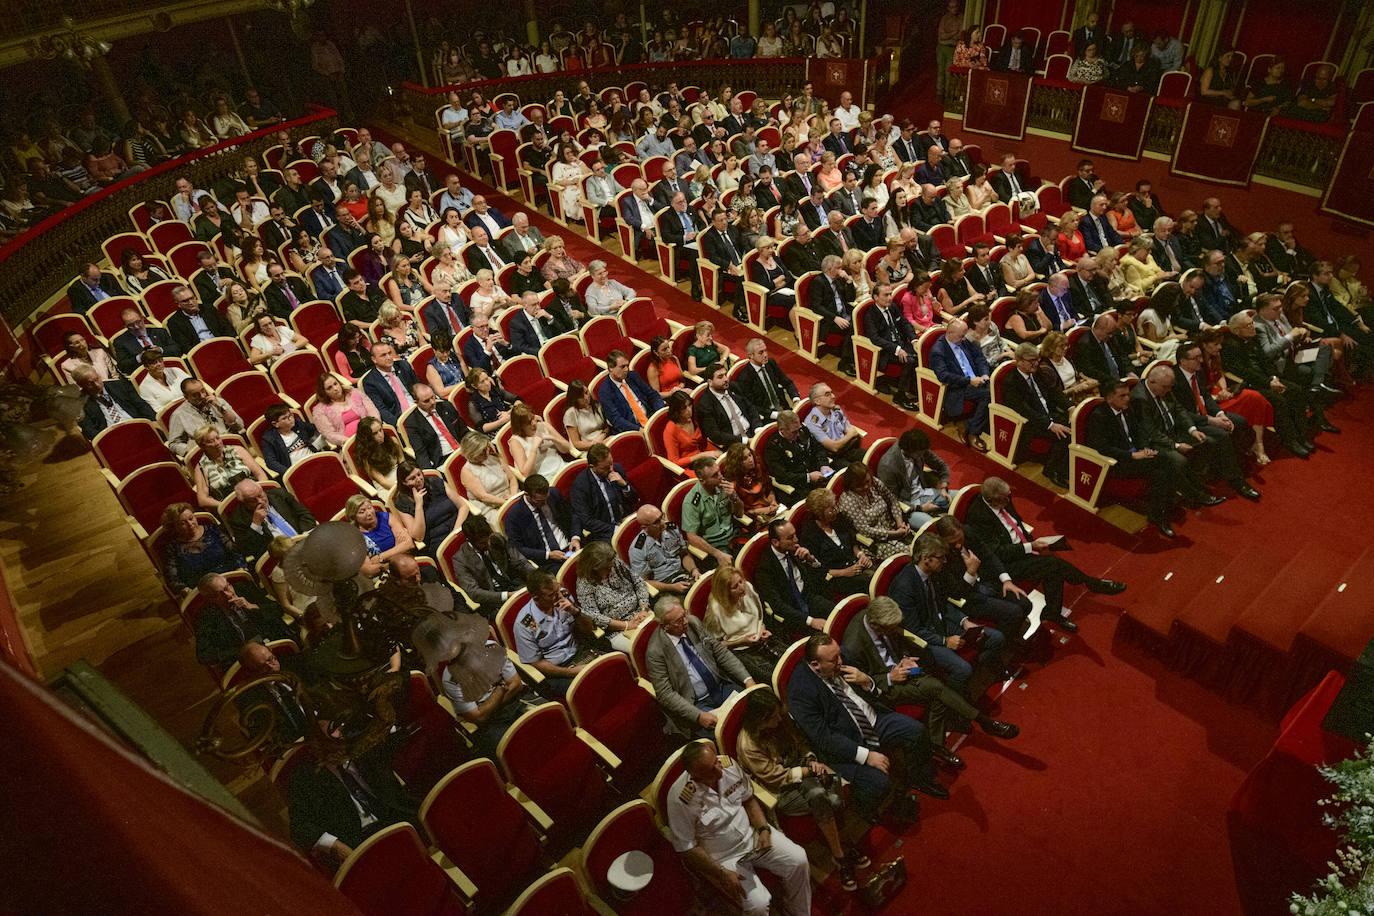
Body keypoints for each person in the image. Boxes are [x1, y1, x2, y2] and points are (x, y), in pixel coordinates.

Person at [843, 595, 1019, 768]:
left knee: (937, 688)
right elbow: (860, 685)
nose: (896, 630)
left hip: (906, 668)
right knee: (935, 687)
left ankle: (938, 745)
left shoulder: (883, 618)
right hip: (885, 687)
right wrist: (890, 677)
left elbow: (899, 642)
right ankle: (983, 721)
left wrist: (904, 658)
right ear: (876, 626)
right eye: (891, 629)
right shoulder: (852, 647)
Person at [788, 633, 945, 827]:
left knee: (916, 731)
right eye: (833, 660)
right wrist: (867, 756)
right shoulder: (800, 691)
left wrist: (866, 681)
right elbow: (824, 738)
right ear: (815, 665)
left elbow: (877, 682)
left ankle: (918, 779)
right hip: (846, 742)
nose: (841, 660)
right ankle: (864, 810)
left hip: (874, 719)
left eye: (839, 655)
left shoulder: (841, 655)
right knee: (879, 784)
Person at [736, 689, 866, 891]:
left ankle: (841, 847)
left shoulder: (781, 719)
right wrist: (806, 772)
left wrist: (812, 761)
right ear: (760, 720)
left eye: (779, 713)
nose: (780, 719)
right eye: (773, 717)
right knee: (821, 795)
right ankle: (841, 854)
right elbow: (775, 777)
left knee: (831, 796)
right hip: (781, 791)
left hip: (803, 772)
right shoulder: (748, 745)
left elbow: (801, 743)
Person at [666, 740, 811, 916]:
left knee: (799, 859)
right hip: (725, 858)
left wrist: (763, 828)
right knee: (758, 904)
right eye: (712, 770)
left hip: (752, 836)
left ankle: (798, 912)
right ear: (696, 777)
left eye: (716, 762)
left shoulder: (727, 765)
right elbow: (687, 848)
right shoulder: (681, 800)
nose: (720, 769)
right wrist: (721, 873)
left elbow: (748, 798)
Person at [967, 477, 1127, 631]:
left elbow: (1017, 523)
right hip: (1004, 566)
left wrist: (1032, 543)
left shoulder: (1003, 498)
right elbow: (997, 553)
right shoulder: (979, 517)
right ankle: (1090, 583)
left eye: (1009, 496)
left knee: (1053, 569)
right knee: (1052, 564)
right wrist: (1030, 546)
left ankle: (1053, 612)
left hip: (1022, 549)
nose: (1008, 501)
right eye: (1004, 499)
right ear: (991, 500)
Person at [648, 594, 755, 737]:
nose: (685, 621)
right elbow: (665, 694)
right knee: (728, 735)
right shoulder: (655, 651)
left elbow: (720, 652)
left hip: (720, 687)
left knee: (756, 708)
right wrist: (698, 716)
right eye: (678, 621)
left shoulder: (693, 623)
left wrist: (747, 679)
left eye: (684, 615)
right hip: (696, 704)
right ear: (664, 626)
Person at [192, 572, 291, 668]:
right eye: (219, 594)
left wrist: (252, 606)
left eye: (227, 588)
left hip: (273, 641)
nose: (228, 595)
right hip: (247, 662)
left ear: (230, 584)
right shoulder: (204, 617)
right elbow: (204, 656)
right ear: (210, 600)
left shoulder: (244, 588)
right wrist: (243, 652)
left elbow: (278, 610)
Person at [575, 541, 652, 654]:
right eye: (607, 568)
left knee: (665, 634)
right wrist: (626, 625)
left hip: (639, 614)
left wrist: (643, 609)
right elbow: (594, 617)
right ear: (594, 567)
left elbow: (639, 583)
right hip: (616, 630)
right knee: (645, 649)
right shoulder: (585, 583)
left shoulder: (614, 563)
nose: (611, 569)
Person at [929, 318, 991, 451]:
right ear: (949, 334)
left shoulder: (963, 341)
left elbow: (980, 358)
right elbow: (944, 376)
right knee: (989, 394)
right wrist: (969, 381)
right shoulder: (938, 351)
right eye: (961, 336)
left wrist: (985, 374)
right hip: (958, 387)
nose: (964, 339)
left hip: (976, 379)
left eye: (964, 335)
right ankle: (973, 432)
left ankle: (971, 425)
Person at [159, 503, 244, 595]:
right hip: (204, 593)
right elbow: (172, 578)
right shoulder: (172, 547)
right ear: (174, 527)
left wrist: (239, 569)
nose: (190, 524)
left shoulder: (212, 529)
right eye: (182, 523)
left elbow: (235, 552)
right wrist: (185, 590)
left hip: (231, 581)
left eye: (191, 518)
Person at [226, 479, 317, 564]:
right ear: (244, 503)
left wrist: (304, 536)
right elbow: (247, 550)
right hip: (280, 558)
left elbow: (305, 514)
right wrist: (256, 524)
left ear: (262, 490)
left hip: (305, 541)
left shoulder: (280, 494)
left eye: (260, 495)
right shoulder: (238, 519)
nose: (260, 501)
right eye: (253, 500)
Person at [682, 455, 745, 568]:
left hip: (734, 535)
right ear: (703, 481)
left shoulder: (724, 486)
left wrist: (734, 497)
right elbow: (691, 537)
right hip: (714, 546)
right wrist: (718, 554)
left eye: (719, 472)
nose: (720, 477)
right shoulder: (691, 502)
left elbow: (739, 514)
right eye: (714, 475)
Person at [570, 442, 639, 542]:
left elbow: (634, 500)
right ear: (592, 467)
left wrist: (624, 485)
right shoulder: (580, 486)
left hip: (626, 520)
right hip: (604, 533)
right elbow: (587, 521)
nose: (611, 469)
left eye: (611, 463)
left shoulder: (617, 469)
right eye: (605, 468)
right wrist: (616, 530)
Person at [393, 460, 467, 553]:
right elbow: (418, 537)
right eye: (412, 478)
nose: (419, 479)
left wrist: (456, 533)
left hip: (460, 527)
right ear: (404, 483)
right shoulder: (402, 502)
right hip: (439, 541)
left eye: (419, 474)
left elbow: (463, 506)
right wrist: (419, 505)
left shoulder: (435, 481)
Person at [166, 378, 244, 457]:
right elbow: (173, 444)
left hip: (232, 447)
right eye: (195, 395)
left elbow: (239, 426)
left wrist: (220, 407)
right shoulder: (179, 415)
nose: (202, 396)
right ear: (186, 397)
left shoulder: (219, 402)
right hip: (206, 455)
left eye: (203, 391)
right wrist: (192, 450)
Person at [458, 432, 517, 526]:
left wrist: (514, 495)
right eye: (482, 451)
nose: (486, 452)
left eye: (486, 448)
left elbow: (512, 478)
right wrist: (508, 503)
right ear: (472, 453)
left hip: (510, 495)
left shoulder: (494, 456)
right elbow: (484, 497)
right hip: (490, 506)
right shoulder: (467, 471)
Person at [597, 349, 664, 434]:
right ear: (611, 368)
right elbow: (616, 420)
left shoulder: (632, 376)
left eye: (627, 366)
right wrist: (639, 430)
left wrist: (658, 415)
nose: (626, 369)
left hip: (650, 418)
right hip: (632, 429)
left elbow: (653, 395)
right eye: (622, 367)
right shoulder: (605, 391)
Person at [344, 494, 415, 574]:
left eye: (370, 508)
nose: (369, 513)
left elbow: (409, 544)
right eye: (362, 512)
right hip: (383, 575)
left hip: (406, 563)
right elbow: (369, 571)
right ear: (353, 517)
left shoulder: (387, 518)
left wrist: (379, 558)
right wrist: (398, 550)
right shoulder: (356, 537)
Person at [312, 372, 379, 448]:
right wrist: (351, 441)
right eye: (329, 388)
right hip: (350, 445)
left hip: (372, 433)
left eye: (335, 384)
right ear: (324, 392)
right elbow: (329, 434)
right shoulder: (320, 410)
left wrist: (375, 428)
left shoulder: (354, 393)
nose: (335, 389)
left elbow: (373, 411)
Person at [719, 441, 780, 524]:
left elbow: (768, 488)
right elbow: (740, 511)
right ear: (737, 462)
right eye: (745, 458)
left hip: (770, 508)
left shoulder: (758, 467)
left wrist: (773, 502)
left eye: (750, 455)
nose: (750, 459)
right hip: (754, 518)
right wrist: (764, 510)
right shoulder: (732, 483)